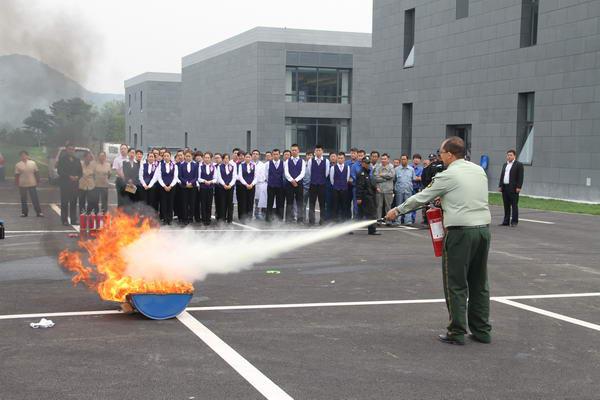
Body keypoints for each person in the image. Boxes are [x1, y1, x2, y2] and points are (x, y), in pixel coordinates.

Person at [386, 136, 492, 346]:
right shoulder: (478, 170)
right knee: (479, 283)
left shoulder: (447, 175)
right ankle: (482, 331)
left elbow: (422, 197)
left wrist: (397, 210)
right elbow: (466, 195)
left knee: (455, 283)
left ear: (450, 154)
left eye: (441, 153)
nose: (440, 156)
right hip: (482, 231)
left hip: (460, 233)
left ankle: (456, 331)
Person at [57, 144, 82, 225]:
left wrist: (78, 177)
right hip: (65, 184)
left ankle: (73, 220)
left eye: (72, 149)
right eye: (69, 149)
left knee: (73, 203)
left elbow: (80, 172)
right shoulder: (62, 160)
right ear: (66, 150)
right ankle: (64, 220)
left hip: (75, 185)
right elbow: (60, 171)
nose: (71, 151)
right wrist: (69, 176)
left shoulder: (77, 160)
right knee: (64, 203)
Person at [498, 149, 524, 227]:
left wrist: (519, 187)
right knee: (506, 205)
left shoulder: (518, 165)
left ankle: (514, 222)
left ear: (514, 156)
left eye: (511, 155)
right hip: (505, 187)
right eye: (508, 155)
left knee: (514, 205)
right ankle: (506, 221)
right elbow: (502, 176)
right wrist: (500, 185)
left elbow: (520, 177)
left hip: (513, 188)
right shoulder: (505, 164)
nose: (509, 156)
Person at [14, 150, 43, 217]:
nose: (23, 157)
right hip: (22, 184)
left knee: (35, 198)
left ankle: (39, 212)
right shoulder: (18, 165)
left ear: (27, 156)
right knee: (23, 199)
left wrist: (38, 180)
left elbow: (36, 172)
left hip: (32, 183)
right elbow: (16, 175)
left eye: (25, 155)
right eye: (22, 155)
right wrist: (16, 183)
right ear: (20, 157)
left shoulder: (33, 163)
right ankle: (24, 213)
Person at [355, 156, 379, 235]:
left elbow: (369, 184)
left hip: (370, 196)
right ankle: (372, 230)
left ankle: (371, 229)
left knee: (365, 214)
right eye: (366, 163)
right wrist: (359, 198)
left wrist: (375, 188)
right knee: (370, 214)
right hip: (366, 197)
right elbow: (359, 186)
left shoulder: (367, 172)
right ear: (362, 163)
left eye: (368, 163)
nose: (367, 164)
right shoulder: (361, 173)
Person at [307, 145, 330, 225]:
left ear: (322, 151)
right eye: (316, 150)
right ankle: (311, 221)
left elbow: (326, 173)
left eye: (319, 150)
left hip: (322, 185)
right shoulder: (310, 161)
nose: (318, 152)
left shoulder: (326, 161)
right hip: (313, 185)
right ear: (314, 152)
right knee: (312, 204)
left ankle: (322, 220)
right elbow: (309, 172)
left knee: (322, 204)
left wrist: (320, 179)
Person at [283, 144, 305, 223]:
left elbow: (303, 173)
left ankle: (300, 219)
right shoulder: (287, 161)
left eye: (295, 150)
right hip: (289, 184)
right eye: (292, 150)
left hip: (299, 184)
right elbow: (286, 172)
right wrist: (292, 180)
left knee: (300, 202)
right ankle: (288, 219)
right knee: (289, 201)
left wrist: (296, 180)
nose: (294, 151)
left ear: (298, 151)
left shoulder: (302, 161)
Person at [157, 151, 179, 225]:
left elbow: (175, 177)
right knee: (163, 203)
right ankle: (165, 218)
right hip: (163, 187)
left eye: (167, 156)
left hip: (172, 187)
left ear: (170, 157)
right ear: (163, 157)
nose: (166, 157)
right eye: (165, 156)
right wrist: (164, 186)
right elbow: (159, 177)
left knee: (170, 202)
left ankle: (170, 219)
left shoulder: (174, 165)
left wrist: (170, 186)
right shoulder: (160, 165)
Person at [394, 154, 416, 224]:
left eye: (404, 159)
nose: (403, 160)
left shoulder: (411, 169)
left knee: (408, 205)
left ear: (407, 160)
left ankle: (408, 221)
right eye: (402, 159)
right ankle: (398, 221)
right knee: (398, 205)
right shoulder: (396, 169)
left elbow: (413, 179)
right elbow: (394, 180)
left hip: (408, 190)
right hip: (399, 190)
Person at [178, 150, 199, 225]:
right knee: (184, 203)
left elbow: (196, 176)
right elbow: (180, 176)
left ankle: (191, 217)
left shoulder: (195, 165)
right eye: (186, 156)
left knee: (192, 203)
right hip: (184, 187)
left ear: (192, 156)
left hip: (193, 187)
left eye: (189, 156)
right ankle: (185, 218)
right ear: (184, 156)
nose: (188, 157)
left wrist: (191, 183)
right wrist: (186, 183)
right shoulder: (181, 165)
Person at [373, 153, 395, 221]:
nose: (383, 160)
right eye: (382, 159)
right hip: (379, 190)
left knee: (388, 206)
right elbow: (375, 178)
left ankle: (388, 220)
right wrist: (386, 179)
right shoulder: (377, 167)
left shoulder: (391, 167)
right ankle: (378, 220)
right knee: (379, 206)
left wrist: (381, 174)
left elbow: (391, 175)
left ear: (388, 159)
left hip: (388, 190)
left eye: (385, 159)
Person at [265, 148, 285, 222]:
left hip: (280, 186)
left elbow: (284, 174)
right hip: (271, 186)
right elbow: (266, 175)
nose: (275, 156)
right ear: (272, 155)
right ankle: (268, 218)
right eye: (274, 154)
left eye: (277, 154)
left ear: (279, 155)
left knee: (280, 202)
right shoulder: (268, 164)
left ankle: (279, 218)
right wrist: (271, 181)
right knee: (269, 202)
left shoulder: (283, 163)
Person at [330, 151, 350, 222]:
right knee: (335, 206)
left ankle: (343, 220)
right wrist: (336, 186)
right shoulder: (333, 168)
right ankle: (335, 220)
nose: (340, 159)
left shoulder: (347, 167)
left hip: (344, 189)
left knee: (344, 206)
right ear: (337, 159)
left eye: (341, 158)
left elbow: (347, 178)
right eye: (339, 158)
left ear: (344, 159)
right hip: (336, 189)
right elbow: (332, 180)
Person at [216, 153, 236, 224]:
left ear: (229, 159)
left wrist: (230, 185)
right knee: (223, 203)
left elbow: (234, 177)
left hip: (230, 187)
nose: (226, 160)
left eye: (227, 158)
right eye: (224, 158)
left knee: (230, 203)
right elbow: (219, 177)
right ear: (222, 159)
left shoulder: (232, 166)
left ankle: (230, 219)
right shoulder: (219, 167)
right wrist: (224, 185)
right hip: (222, 187)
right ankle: (223, 219)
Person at [198, 152, 217, 226]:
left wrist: (211, 181)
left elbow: (215, 178)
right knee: (203, 203)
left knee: (209, 203)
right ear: (203, 158)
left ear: (211, 159)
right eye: (205, 157)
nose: (206, 159)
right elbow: (198, 178)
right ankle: (203, 218)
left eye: (208, 157)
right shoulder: (200, 167)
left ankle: (208, 218)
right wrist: (204, 181)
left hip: (210, 188)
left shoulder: (213, 167)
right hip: (203, 188)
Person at [237, 153, 257, 221]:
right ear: (244, 158)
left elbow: (256, 176)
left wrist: (252, 184)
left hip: (252, 186)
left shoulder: (254, 165)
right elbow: (240, 176)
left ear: (251, 158)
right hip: (243, 186)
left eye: (249, 157)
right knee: (243, 202)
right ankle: (243, 217)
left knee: (250, 201)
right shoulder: (241, 165)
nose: (247, 158)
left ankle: (249, 217)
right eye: (246, 157)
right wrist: (246, 184)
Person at [253, 149, 267, 220]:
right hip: (250, 184)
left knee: (258, 200)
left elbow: (264, 175)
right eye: (254, 154)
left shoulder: (262, 164)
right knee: (250, 200)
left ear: (258, 156)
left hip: (259, 184)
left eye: (256, 154)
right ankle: (249, 214)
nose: (255, 155)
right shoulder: (249, 163)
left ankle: (257, 214)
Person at [324, 152, 337, 221]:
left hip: (337, 187)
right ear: (329, 158)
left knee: (336, 203)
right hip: (328, 187)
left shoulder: (339, 166)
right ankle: (327, 218)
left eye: (334, 156)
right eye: (332, 156)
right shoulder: (327, 166)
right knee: (328, 203)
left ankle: (335, 218)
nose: (333, 158)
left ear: (336, 157)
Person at [411, 154, 424, 223]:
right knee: (406, 203)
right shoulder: (409, 167)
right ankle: (404, 219)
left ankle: (412, 219)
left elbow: (421, 178)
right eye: (415, 158)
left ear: (420, 160)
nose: (416, 160)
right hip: (408, 188)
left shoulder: (421, 169)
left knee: (414, 204)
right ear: (413, 160)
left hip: (416, 188)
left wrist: (413, 177)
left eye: (418, 158)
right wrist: (416, 177)